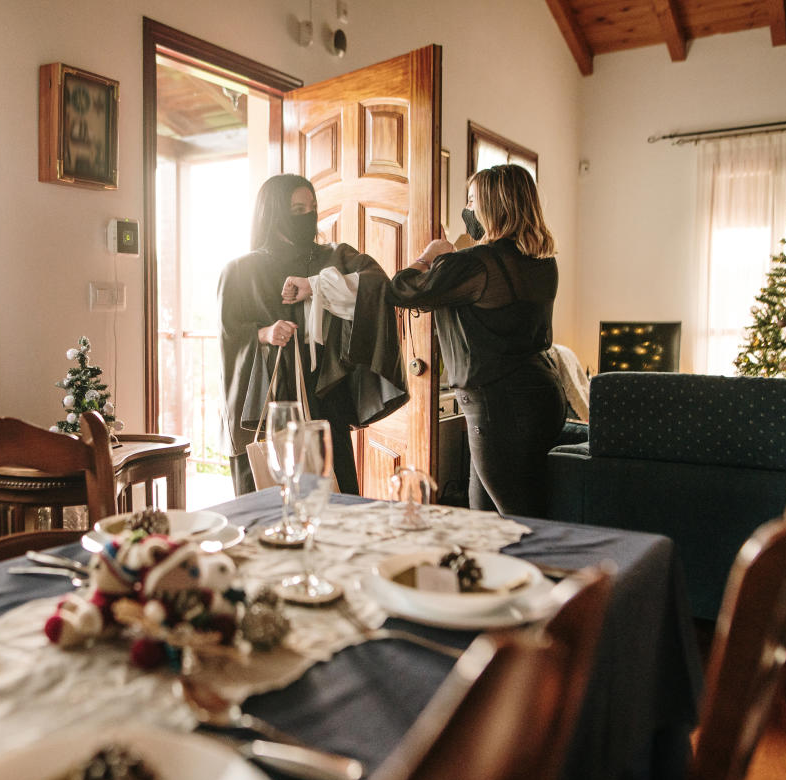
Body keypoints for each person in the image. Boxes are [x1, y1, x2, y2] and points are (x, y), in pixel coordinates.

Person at [388, 164, 566, 516]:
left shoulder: (475, 263)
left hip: (499, 406)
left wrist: (431, 257)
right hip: (542, 394)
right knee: (485, 517)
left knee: (518, 521)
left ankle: (547, 572)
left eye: (472, 200)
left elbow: (402, 290)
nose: (467, 210)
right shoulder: (543, 262)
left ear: (493, 205)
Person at [219, 174, 408, 496]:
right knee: (270, 499)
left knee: (334, 491)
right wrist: (263, 334)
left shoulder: (334, 257)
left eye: (311, 207)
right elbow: (230, 336)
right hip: (270, 397)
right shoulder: (240, 270)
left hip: (324, 393)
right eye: (296, 209)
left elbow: (378, 286)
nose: (307, 216)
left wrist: (319, 285)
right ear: (274, 211)